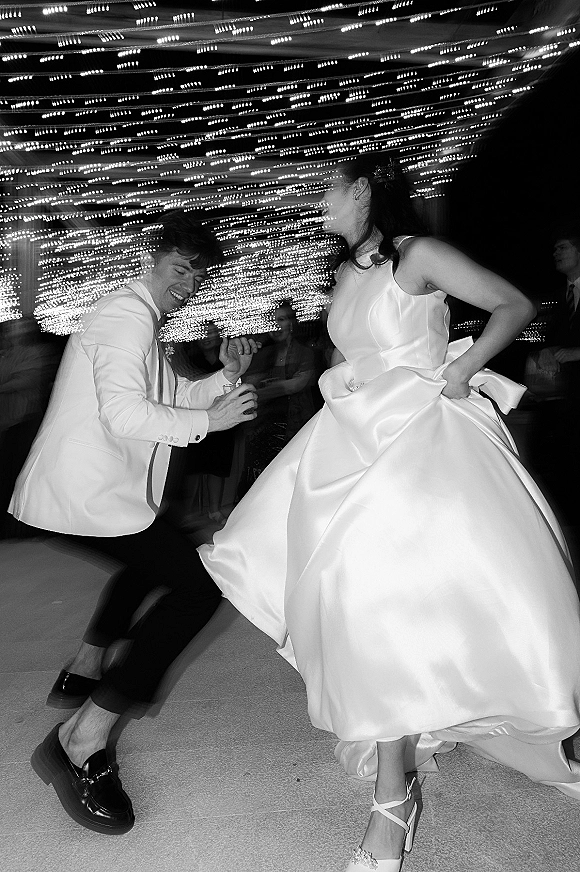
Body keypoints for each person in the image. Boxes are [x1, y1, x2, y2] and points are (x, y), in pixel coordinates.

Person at [199, 156, 580, 871]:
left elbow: (513, 306)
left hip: (424, 442)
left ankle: (391, 799)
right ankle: (398, 773)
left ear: (363, 193)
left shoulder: (420, 255)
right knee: (358, 603)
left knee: (406, 600)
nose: (318, 206)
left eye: (326, 193)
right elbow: (355, 353)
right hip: (353, 439)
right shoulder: (346, 274)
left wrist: (462, 373)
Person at [9, 211, 258, 835]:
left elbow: (171, 400)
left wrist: (227, 378)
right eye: (181, 266)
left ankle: (86, 671)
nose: (190, 281)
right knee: (198, 588)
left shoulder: (142, 321)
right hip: (87, 493)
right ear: (153, 257)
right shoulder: (126, 315)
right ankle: (82, 736)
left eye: (199, 272)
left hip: (101, 494)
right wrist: (213, 424)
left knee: (160, 567)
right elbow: (124, 413)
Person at [237, 300, 317, 496]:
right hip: (262, 429)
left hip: (293, 428)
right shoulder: (261, 355)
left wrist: (262, 391)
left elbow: (296, 385)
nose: (277, 326)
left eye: (281, 319)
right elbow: (247, 385)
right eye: (272, 321)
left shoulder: (305, 353)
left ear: (291, 323)